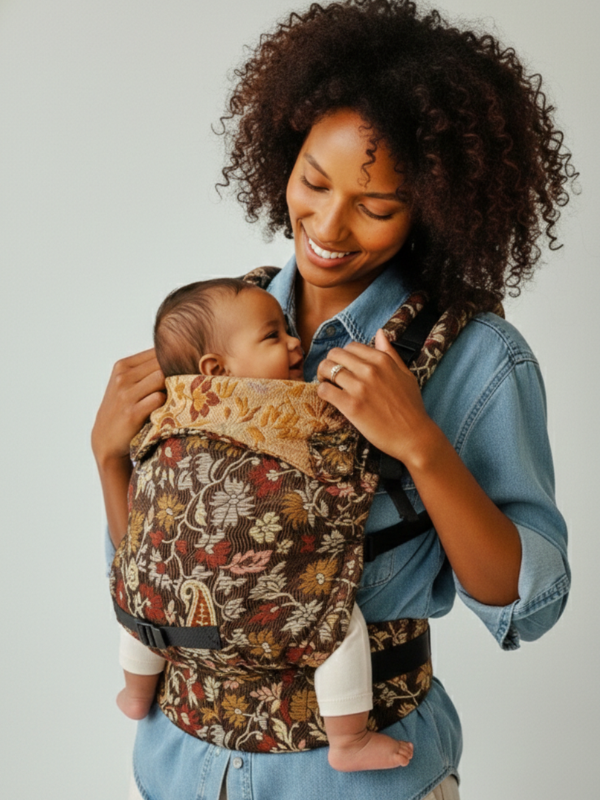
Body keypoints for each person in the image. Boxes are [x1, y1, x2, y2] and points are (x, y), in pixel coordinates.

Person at [92, 2, 574, 798]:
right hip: (181, 766)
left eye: (378, 206)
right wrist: (109, 459)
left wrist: (420, 443)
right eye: (314, 181)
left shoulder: (477, 358)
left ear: (435, 207)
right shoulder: (213, 325)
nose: (330, 225)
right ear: (285, 152)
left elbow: (529, 606)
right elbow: (163, 574)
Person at [116, 277, 414, 771]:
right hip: (264, 595)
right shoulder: (289, 405)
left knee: (145, 608)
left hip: (164, 572)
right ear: (217, 369)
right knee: (335, 624)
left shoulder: (170, 409)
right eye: (274, 336)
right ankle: (350, 738)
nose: (297, 342)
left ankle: (134, 690)